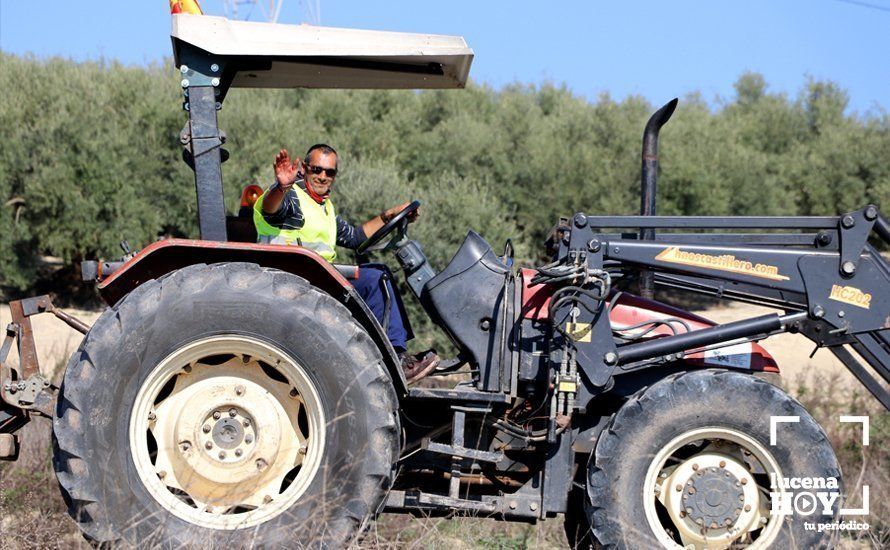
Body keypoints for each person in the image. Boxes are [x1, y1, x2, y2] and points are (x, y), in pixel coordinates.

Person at [253, 143, 439, 382]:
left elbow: (354, 237)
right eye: (317, 169)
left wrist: (389, 215)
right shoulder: (292, 199)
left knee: (377, 272)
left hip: (317, 279)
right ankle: (397, 358)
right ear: (304, 169)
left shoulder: (323, 207)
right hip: (294, 281)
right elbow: (271, 209)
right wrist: (281, 186)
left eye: (329, 172)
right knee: (376, 278)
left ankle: (390, 353)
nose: (322, 176)